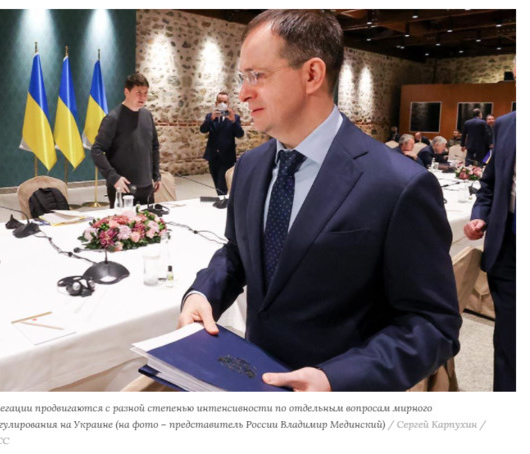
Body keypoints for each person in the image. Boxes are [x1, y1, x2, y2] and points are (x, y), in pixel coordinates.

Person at [179, 10, 460, 391]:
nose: (243, 93)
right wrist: (204, 292)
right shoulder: (251, 166)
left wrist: (336, 379)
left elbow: (432, 324)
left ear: (312, 74)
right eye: (243, 78)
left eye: (257, 75)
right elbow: (237, 253)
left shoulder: (399, 184)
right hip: (255, 380)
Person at [464, 109, 516, 391]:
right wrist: (481, 215)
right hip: (509, 248)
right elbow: (490, 184)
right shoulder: (508, 124)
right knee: (509, 340)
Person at [91, 73, 161, 207]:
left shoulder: (147, 115)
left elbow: (154, 147)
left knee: (148, 220)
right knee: (124, 221)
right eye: (138, 93)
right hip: (123, 187)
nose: (143, 97)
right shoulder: (112, 118)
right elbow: (96, 150)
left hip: (146, 187)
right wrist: (114, 178)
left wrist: (156, 175)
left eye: (145, 93)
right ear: (126, 92)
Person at [200, 91, 245, 195]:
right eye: (220, 101)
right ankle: (222, 200)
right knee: (216, 182)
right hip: (213, 156)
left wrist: (233, 121)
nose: (222, 104)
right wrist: (211, 119)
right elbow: (203, 130)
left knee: (222, 184)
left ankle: (223, 201)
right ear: (216, 103)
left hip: (227, 156)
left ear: (228, 103)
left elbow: (240, 134)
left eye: (224, 102)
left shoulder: (235, 117)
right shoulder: (210, 116)